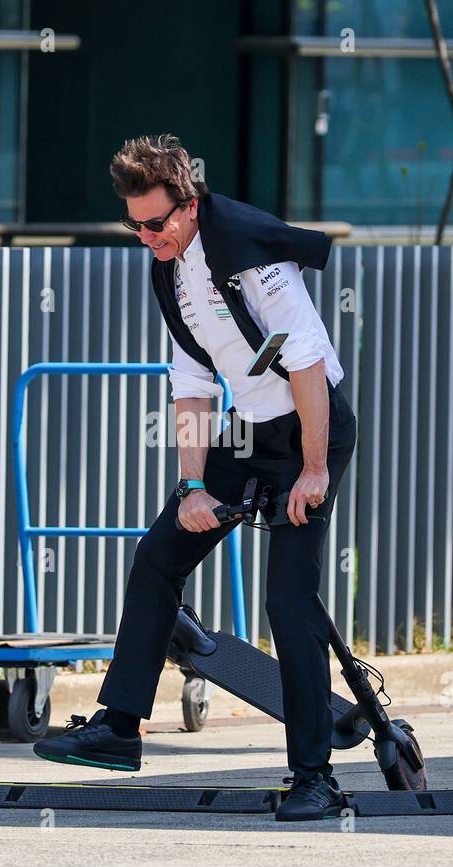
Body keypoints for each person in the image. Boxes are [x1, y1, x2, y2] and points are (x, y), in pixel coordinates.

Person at [34, 134, 356, 822]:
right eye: (134, 224)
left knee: (288, 601)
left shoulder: (244, 247)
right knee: (157, 557)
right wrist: (191, 486)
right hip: (245, 434)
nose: (147, 236)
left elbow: (303, 359)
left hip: (309, 427)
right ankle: (119, 728)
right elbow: (190, 382)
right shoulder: (168, 268)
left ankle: (314, 777)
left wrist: (314, 469)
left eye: (156, 222)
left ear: (189, 202)